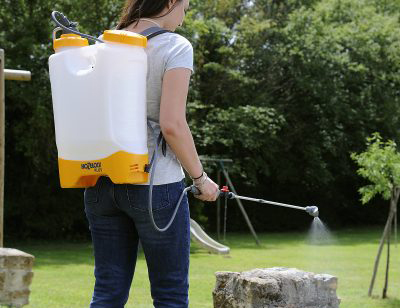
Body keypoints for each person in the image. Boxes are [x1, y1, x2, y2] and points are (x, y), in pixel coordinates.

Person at [83, 0, 220, 307]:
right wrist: (200, 179)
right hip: (155, 186)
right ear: (170, 2)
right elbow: (172, 125)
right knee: (170, 295)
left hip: (100, 182)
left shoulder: (102, 43)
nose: (183, 18)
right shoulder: (175, 46)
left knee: (107, 293)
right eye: (185, 7)